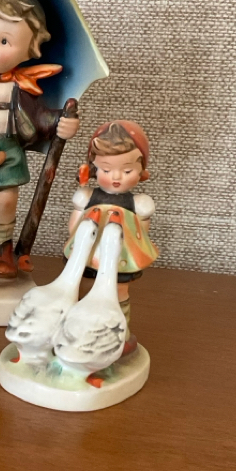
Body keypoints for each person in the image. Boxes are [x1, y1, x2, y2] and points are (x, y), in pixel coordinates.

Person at [0, 0, 79, 278]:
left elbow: (39, 119)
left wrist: (61, 123)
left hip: (7, 150)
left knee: (4, 200)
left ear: (29, 52)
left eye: (4, 41)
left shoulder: (20, 88)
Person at [65, 120, 158, 332]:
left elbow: (140, 236)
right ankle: (80, 328)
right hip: (90, 255)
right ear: (93, 169)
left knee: (118, 291)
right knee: (84, 286)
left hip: (119, 260)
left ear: (142, 171)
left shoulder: (138, 204)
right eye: (106, 170)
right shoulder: (87, 198)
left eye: (127, 171)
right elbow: (74, 229)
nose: (116, 177)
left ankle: (117, 331)